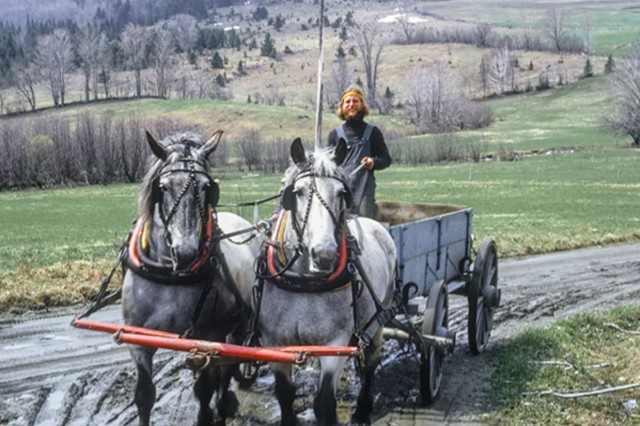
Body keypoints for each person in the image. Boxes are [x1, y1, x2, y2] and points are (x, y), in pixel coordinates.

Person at [327, 86, 392, 219]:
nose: (351, 105)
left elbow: (386, 159)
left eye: (355, 101)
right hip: (339, 190)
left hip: (364, 192)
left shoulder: (373, 132)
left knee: (364, 228)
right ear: (342, 106)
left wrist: (373, 162)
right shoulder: (334, 135)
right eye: (348, 102)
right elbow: (328, 165)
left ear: (362, 105)